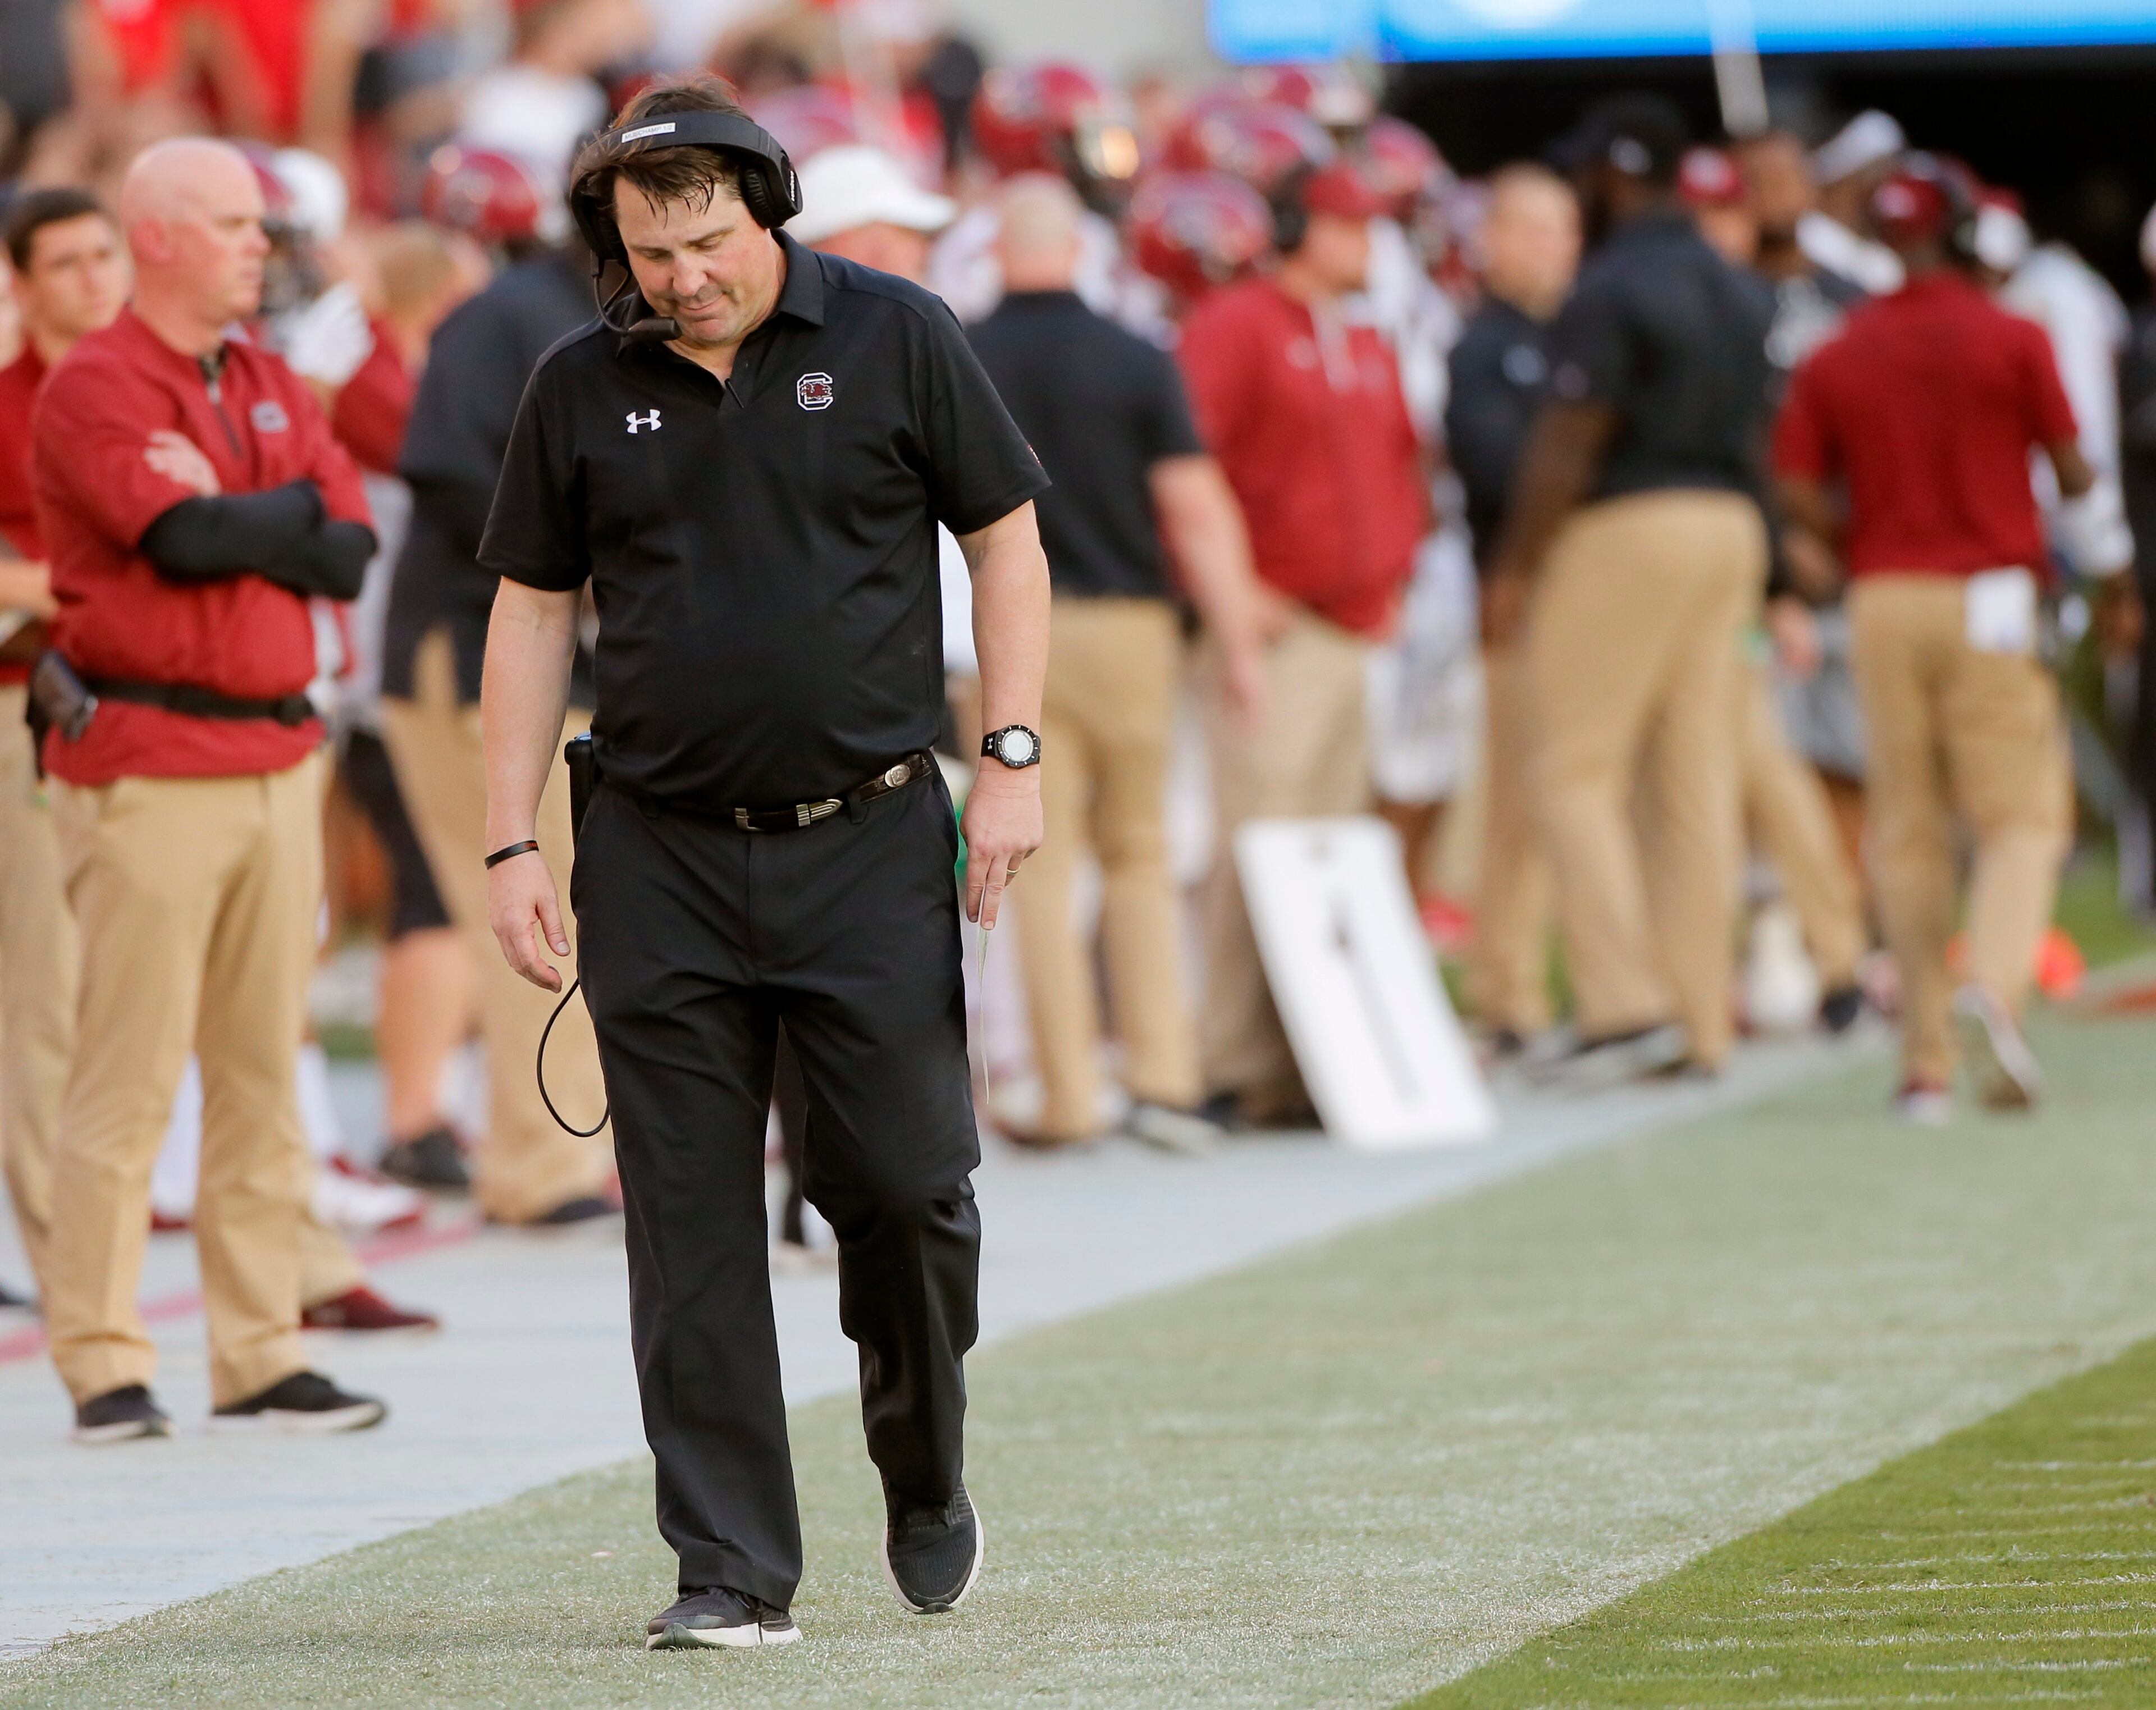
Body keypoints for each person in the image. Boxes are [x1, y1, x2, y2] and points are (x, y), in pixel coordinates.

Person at [479, 76, 1049, 1647]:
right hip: (653, 853)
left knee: (907, 1191)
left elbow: (1005, 537)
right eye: (651, 253)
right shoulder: (578, 383)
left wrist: (1010, 756)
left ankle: (922, 1461)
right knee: (688, 1223)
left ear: (770, 209)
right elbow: (531, 608)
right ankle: (731, 1566)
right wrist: (511, 837)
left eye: (709, 242)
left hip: (868, 838)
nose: (683, 279)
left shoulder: (899, 332)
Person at [30, 139, 386, 1442]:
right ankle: (102, 1356)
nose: (260, 246)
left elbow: (348, 550)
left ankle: (260, 1347)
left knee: (260, 1073)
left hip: (277, 759)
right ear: (163, 235)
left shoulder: (271, 375)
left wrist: (246, 502)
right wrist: (275, 509)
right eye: (236, 224)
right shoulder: (96, 381)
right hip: (151, 761)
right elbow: (177, 539)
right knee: (125, 1077)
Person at [1774, 157, 2089, 1120]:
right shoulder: (2011, 334)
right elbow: (2074, 469)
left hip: (1884, 593)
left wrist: (1848, 536)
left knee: (1907, 828)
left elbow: (1794, 481)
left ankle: (1925, 1062)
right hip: (1988, 589)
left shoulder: (1841, 349)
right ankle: (1992, 981)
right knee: (2020, 816)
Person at [969, 172, 1270, 1150]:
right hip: (1133, 626)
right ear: (1079, 251)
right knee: (1141, 851)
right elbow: (1195, 507)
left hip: (1008, 628)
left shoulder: (961, 354)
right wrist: (1237, 642)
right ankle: (1164, 1079)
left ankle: (1069, 1093)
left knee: (1040, 862)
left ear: (997, 252)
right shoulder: (1136, 356)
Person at [1483, 94, 1772, 1085]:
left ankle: (1624, 1007)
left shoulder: (1608, 287)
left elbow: (1570, 438)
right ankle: (1700, 1015)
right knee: (1694, 783)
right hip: (1730, 527)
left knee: (1570, 769)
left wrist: (1516, 566)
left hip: (1631, 525)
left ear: (1611, 175)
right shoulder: (1737, 285)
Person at [380, 157, 614, 1218]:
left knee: (571, 901)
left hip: (555, 655)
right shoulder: (508, 312)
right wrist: (585, 554)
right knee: (534, 900)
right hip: (471, 646)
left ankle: (553, 1151)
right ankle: (539, 1165)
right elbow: (441, 463)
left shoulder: (604, 319)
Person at [1177, 158, 1426, 1126]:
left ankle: (1310, 1061)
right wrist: (1234, 594)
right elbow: (1185, 461)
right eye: (1347, 225)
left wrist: (1394, 577)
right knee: (1260, 843)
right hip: (1276, 629)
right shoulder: (1238, 324)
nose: (1367, 243)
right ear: (1296, 228)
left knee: (1332, 847)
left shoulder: (1362, 333)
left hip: (1353, 627)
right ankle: (1229, 1061)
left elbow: (1400, 464)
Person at [0, 189, 129, 1307]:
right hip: (30, 698)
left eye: (105, 255)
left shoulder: (143, 385)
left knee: (117, 987)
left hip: (144, 700)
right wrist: (62, 580)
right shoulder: (11, 399)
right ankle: (65, 1260)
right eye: (66, 262)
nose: (94, 279)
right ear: (22, 281)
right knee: (43, 986)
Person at [1446, 162, 1579, 1054]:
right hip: (1518, 589)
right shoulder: (1483, 344)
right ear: (1490, 238)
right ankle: (1507, 991)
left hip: (1589, 592)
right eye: (1529, 228)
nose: (1549, 248)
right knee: (1520, 801)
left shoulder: (1576, 335)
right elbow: (1498, 468)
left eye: (1561, 229)